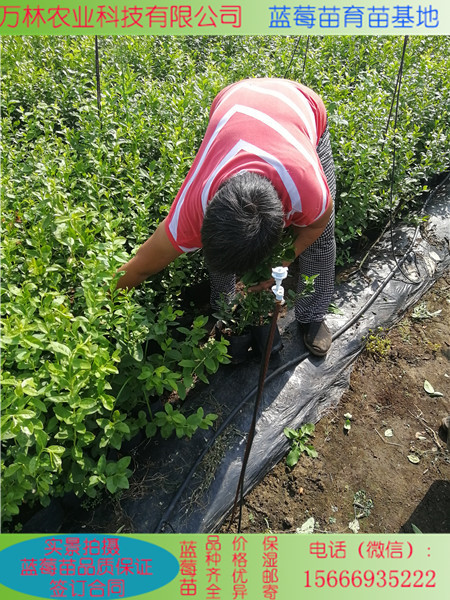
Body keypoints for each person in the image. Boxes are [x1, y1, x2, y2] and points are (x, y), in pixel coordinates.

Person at [116, 78, 337, 356]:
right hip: (234, 101)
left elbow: (316, 226)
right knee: (224, 251)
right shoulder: (192, 208)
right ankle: (224, 308)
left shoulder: (309, 190)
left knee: (321, 241)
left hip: (301, 107)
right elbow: (140, 267)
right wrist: (95, 304)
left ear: (283, 221)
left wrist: (282, 263)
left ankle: (313, 315)